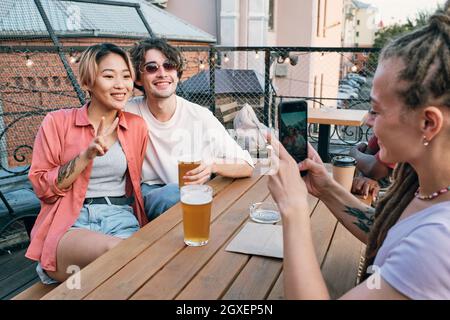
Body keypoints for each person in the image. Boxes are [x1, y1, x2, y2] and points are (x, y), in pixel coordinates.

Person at [268, 3, 450, 299]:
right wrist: (325, 188)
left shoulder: (440, 244)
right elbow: (387, 231)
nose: (367, 120)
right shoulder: (422, 183)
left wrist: (294, 209)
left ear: (428, 123)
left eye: (376, 110)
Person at [26, 43, 149, 283]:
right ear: (87, 82)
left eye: (126, 76)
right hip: (70, 222)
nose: (120, 85)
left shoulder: (136, 126)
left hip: (119, 216)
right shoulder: (57, 122)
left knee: (135, 272)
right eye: (108, 76)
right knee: (118, 254)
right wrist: (86, 155)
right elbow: (42, 188)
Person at [126, 38, 254, 221]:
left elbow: (247, 165)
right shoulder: (128, 111)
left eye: (169, 66)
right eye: (152, 68)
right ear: (138, 78)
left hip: (193, 190)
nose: (162, 73)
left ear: (177, 74)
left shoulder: (199, 115)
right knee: (173, 195)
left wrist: (212, 165)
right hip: (152, 192)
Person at [349, 108, 396, 200]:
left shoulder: (398, 134)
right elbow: (368, 155)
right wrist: (365, 179)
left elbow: (374, 169)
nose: (367, 122)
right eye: (371, 112)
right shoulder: (382, 134)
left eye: (376, 113)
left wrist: (353, 152)